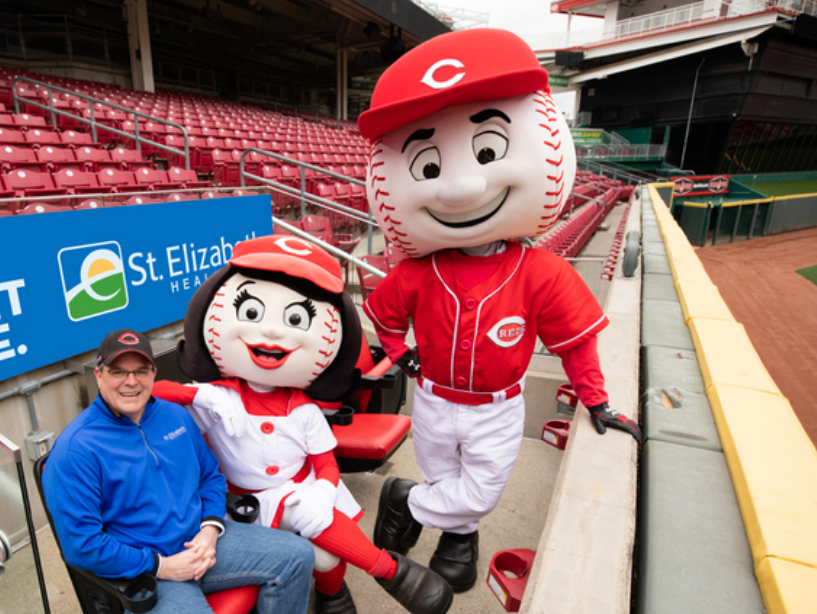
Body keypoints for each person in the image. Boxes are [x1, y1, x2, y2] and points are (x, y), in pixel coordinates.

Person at [357, 28, 643, 594]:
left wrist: (597, 399)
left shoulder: (540, 271)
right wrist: (401, 354)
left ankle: (406, 502)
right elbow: (385, 315)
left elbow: (575, 343)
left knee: (483, 486)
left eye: (486, 154)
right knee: (445, 474)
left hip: (497, 405)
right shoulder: (418, 271)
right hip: (434, 396)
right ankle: (458, 539)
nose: (463, 185)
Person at [154, 235, 453, 614]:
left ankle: (333, 593)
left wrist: (324, 492)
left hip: (300, 489)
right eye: (252, 313)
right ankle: (390, 570)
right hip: (236, 504)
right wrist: (199, 394)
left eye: (294, 319)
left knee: (326, 558)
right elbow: (157, 390)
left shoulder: (306, 411)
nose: (273, 332)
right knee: (311, 543)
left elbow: (327, 463)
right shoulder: (217, 398)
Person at [42, 328, 315, 614]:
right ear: (99, 375)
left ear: (153, 374)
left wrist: (210, 529)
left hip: (200, 541)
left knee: (298, 555)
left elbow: (210, 477)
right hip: (145, 568)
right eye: (118, 372)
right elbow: (82, 545)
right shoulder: (76, 449)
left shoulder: (175, 415)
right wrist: (163, 566)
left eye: (141, 371)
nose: (131, 381)